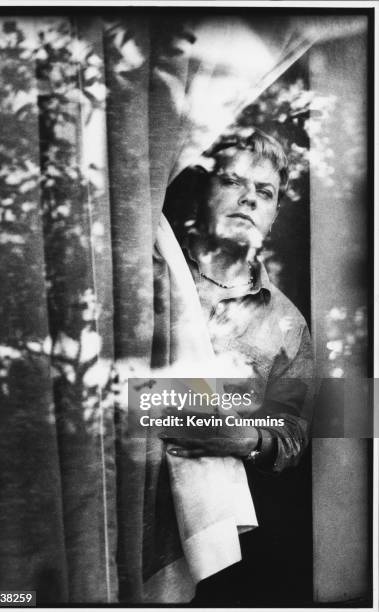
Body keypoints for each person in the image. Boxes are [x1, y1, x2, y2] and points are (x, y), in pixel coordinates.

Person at [162, 127, 314, 604]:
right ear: (201, 192)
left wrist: (243, 440)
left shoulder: (288, 321)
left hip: (224, 542)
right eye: (232, 181)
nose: (249, 198)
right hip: (126, 512)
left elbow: (301, 433)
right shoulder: (149, 273)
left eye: (264, 192)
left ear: (271, 214)